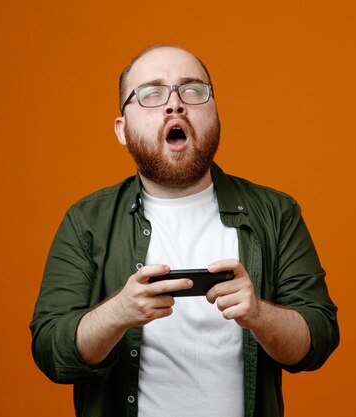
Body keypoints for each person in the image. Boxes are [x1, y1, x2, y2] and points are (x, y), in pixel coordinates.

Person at [30, 44, 339, 417]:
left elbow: (318, 338)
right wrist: (120, 313)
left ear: (215, 114)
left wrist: (258, 313)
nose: (175, 104)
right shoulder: (86, 222)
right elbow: (50, 351)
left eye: (193, 90)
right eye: (151, 94)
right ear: (122, 129)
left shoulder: (277, 213)